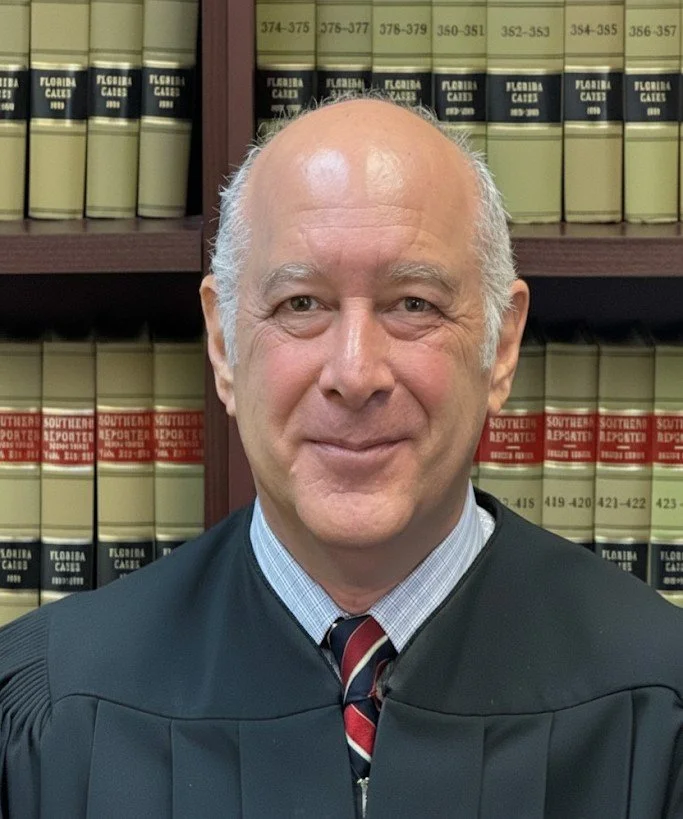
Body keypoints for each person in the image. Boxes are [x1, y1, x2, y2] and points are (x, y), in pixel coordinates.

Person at [1, 97, 682, 819]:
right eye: (301, 304)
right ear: (225, 344)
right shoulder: (57, 712)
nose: (355, 374)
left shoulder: (657, 700)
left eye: (413, 304)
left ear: (501, 345)